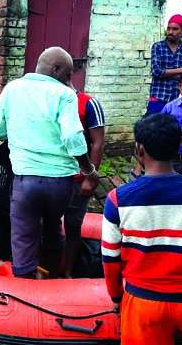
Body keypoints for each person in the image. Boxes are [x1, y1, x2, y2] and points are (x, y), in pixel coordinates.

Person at [102, 113, 182, 344]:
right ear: (179, 145)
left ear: (139, 149)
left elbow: (110, 260)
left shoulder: (117, 200)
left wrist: (116, 297)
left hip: (142, 303)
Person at [0, 47, 99, 278]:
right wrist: (88, 170)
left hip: (25, 182)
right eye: (69, 74)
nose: (70, 81)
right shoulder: (65, 94)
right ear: (56, 69)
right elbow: (72, 137)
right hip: (60, 185)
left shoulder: (12, 88)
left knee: (23, 236)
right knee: (52, 227)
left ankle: (26, 286)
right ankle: (54, 278)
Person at [49, 84, 106, 277]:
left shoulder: (88, 103)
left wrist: (91, 178)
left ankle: (68, 272)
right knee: (47, 225)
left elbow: (97, 143)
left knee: (73, 226)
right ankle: (46, 269)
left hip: (78, 178)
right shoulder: (47, 100)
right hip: (50, 177)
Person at [130, 14, 182, 179]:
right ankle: (138, 166)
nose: (171, 32)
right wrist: (179, 70)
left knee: (172, 132)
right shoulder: (158, 47)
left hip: (177, 98)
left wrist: (171, 72)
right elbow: (157, 72)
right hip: (158, 96)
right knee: (147, 130)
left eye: (175, 29)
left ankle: (164, 169)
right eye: (169, 28)